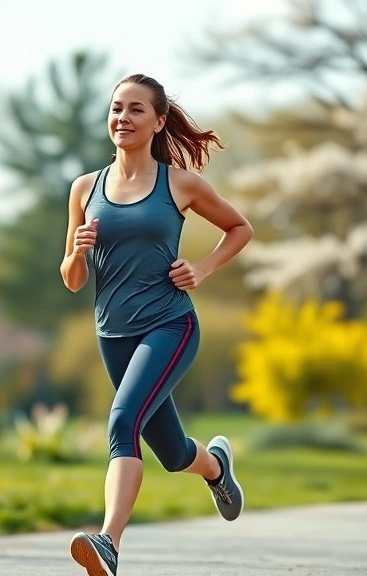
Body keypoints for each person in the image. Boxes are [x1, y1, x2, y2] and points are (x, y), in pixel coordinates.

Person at [59, 73, 254, 576]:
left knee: (123, 421)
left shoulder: (179, 183)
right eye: (116, 108)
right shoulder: (85, 188)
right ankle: (215, 467)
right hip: (112, 335)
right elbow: (73, 280)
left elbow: (240, 227)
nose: (122, 118)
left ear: (159, 121)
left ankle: (108, 543)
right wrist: (78, 252)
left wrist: (203, 269)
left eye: (135, 110)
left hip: (170, 326)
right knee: (170, 452)